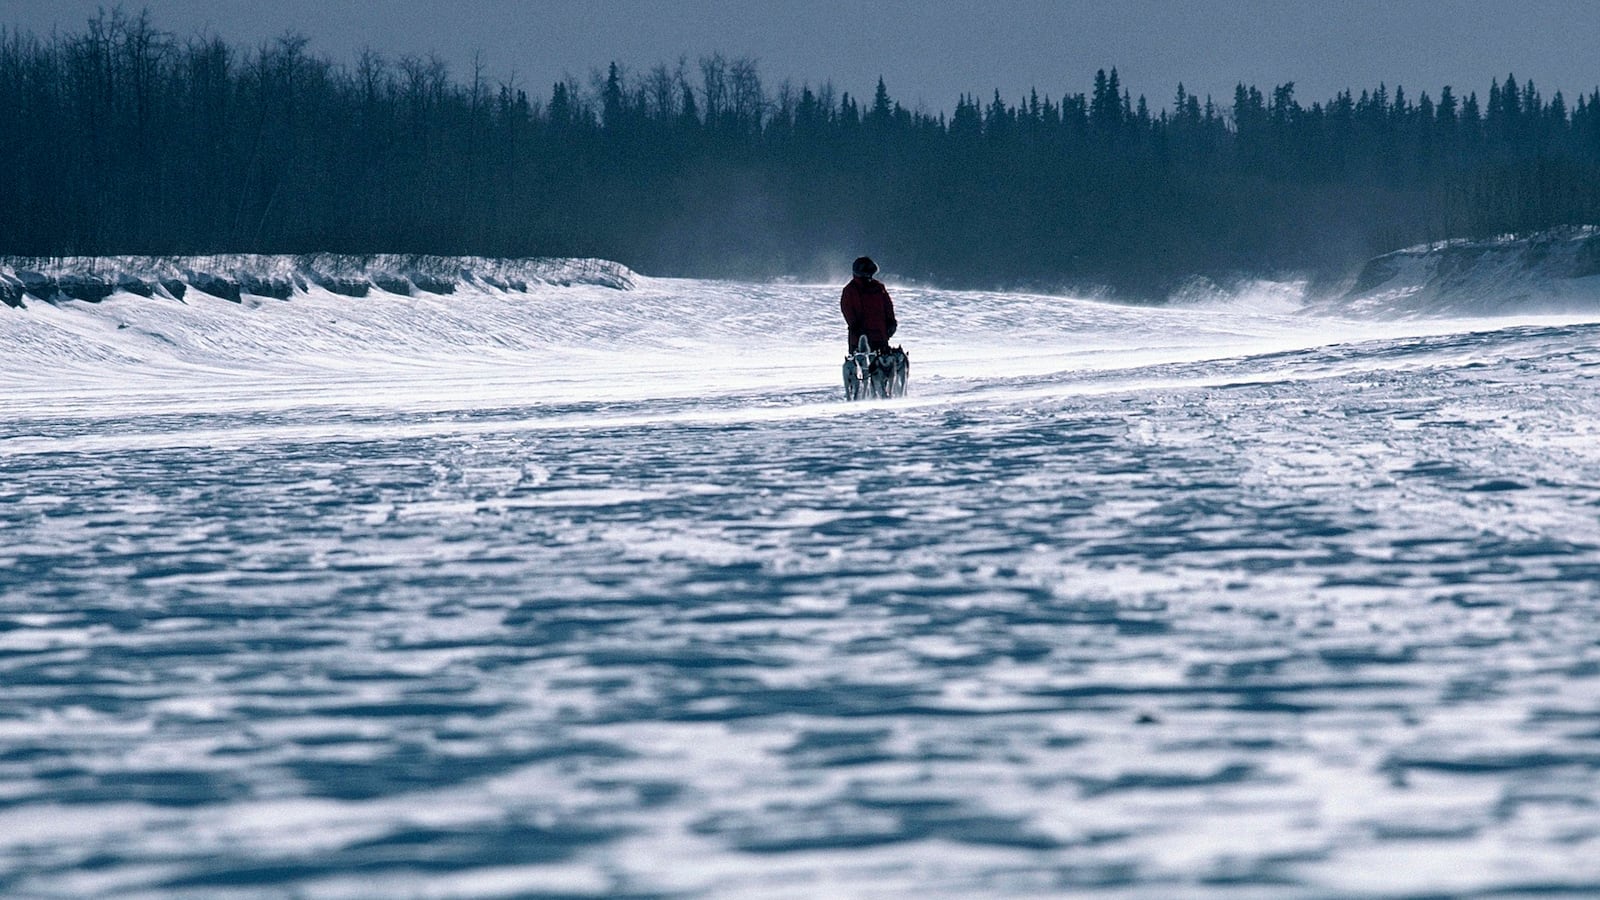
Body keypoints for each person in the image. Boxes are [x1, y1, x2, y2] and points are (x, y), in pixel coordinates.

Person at [840, 256, 897, 353]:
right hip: (860, 339)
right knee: (863, 366)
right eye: (867, 273)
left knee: (882, 365)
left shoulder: (878, 287)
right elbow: (847, 310)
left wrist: (891, 321)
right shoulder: (850, 290)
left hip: (880, 336)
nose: (869, 276)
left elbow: (888, 306)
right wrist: (855, 326)